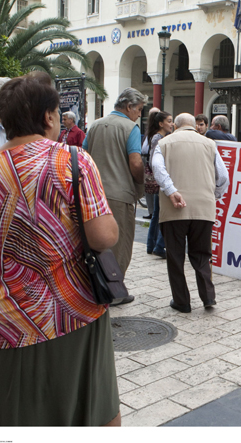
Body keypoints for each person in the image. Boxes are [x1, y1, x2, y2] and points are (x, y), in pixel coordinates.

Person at [0, 71, 120, 426]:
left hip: (8, 321)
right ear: (49, 117)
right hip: (75, 312)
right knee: (94, 410)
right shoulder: (71, 160)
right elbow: (102, 237)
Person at [151, 113, 229, 313]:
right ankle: (208, 296)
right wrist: (212, 195)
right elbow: (223, 177)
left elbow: (157, 168)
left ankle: (182, 301)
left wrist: (171, 190)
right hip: (203, 208)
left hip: (173, 209)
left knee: (175, 256)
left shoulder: (164, 143)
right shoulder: (210, 144)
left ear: (175, 126)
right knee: (202, 255)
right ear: (194, 126)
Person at [83, 87, 147, 305]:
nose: (139, 114)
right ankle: (114, 291)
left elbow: (84, 155)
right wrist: (141, 182)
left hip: (94, 194)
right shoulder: (130, 128)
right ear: (129, 107)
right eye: (139, 109)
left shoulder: (95, 125)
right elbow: (136, 162)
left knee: (96, 243)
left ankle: (95, 286)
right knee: (120, 245)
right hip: (120, 195)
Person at [145, 110, 172, 258]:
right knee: (161, 214)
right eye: (169, 121)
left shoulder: (158, 137)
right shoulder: (158, 138)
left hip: (158, 180)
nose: (171, 124)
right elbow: (154, 161)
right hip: (159, 180)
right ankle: (158, 246)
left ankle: (152, 245)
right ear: (161, 123)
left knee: (157, 213)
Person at [141, 107, 161, 219]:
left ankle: (154, 211)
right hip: (145, 158)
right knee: (148, 186)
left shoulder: (157, 133)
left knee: (153, 185)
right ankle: (151, 211)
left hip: (150, 159)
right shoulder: (148, 130)